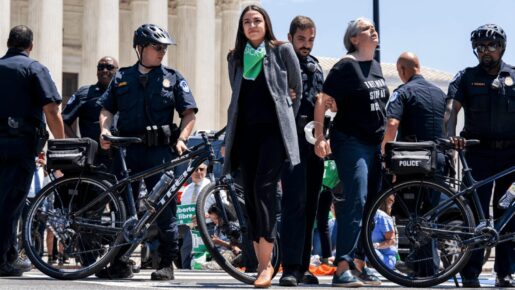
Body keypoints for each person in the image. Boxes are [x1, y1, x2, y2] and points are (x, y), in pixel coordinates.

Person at [97, 23, 197, 281]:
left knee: (164, 209)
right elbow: (106, 109)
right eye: (157, 46)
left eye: (165, 47)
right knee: (123, 208)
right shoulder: (121, 77)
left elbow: (188, 113)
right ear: (140, 48)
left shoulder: (174, 77)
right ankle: (119, 261)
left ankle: (166, 263)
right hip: (127, 151)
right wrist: (105, 131)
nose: (162, 51)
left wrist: (182, 139)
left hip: (160, 152)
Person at [222, 5, 302, 288]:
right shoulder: (235, 57)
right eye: (246, 21)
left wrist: (285, 125)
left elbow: (296, 89)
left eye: (257, 20)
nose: (252, 25)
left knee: (263, 190)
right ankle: (260, 264)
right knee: (251, 198)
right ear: (241, 28)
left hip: (273, 135)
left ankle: (267, 265)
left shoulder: (282, 50)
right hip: (245, 135)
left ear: (266, 23)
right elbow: (236, 98)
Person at [314, 17, 388, 287]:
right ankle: (342, 266)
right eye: (367, 29)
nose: (373, 31)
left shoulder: (376, 66)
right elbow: (322, 99)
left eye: (373, 27)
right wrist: (320, 136)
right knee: (355, 199)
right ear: (354, 38)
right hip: (351, 141)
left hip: (373, 145)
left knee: (370, 205)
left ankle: (359, 264)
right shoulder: (346, 66)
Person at [445, 24, 515, 288]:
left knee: (506, 211)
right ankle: (470, 273)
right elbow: (451, 108)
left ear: (502, 48)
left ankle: (504, 272)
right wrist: (451, 135)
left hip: (511, 158)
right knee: (474, 214)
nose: (486, 51)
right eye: (480, 46)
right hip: (478, 155)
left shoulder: (514, 76)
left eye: (492, 46)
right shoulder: (465, 77)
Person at [0, 25, 64, 276]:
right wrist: (61, 142)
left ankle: (10, 254)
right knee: (11, 203)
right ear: (31, 46)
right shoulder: (34, 68)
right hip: (19, 146)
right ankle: (4, 259)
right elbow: (51, 110)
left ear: (8, 42)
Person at [279, 15, 325, 287]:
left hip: (312, 142)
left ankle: (304, 265)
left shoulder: (316, 66)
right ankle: (290, 266)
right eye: (301, 39)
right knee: (293, 204)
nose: (306, 45)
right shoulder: (282, 63)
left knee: (311, 207)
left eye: (310, 40)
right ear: (290, 37)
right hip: (291, 142)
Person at [62, 56, 119, 168]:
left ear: (117, 70)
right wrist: (78, 143)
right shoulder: (84, 93)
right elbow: (63, 121)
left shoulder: (123, 94)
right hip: (93, 157)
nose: (104, 70)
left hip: (119, 156)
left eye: (109, 67)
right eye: (101, 67)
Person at [179, 162, 210, 269]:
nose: (198, 172)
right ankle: (185, 279)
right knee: (185, 252)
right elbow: (183, 209)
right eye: (195, 169)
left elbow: (224, 208)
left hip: (208, 227)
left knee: (204, 256)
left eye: (201, 169)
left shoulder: (211, 186)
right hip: (191, 229)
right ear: (190, 172)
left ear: (206, 171)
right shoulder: (187, 189)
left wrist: (206, 216)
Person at [371, 194, 397, 270]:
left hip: (386, 258)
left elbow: (392, 241)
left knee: (366, 251)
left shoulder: (383, 217)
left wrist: (376, 245)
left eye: (391, 201)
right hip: (373, 257)